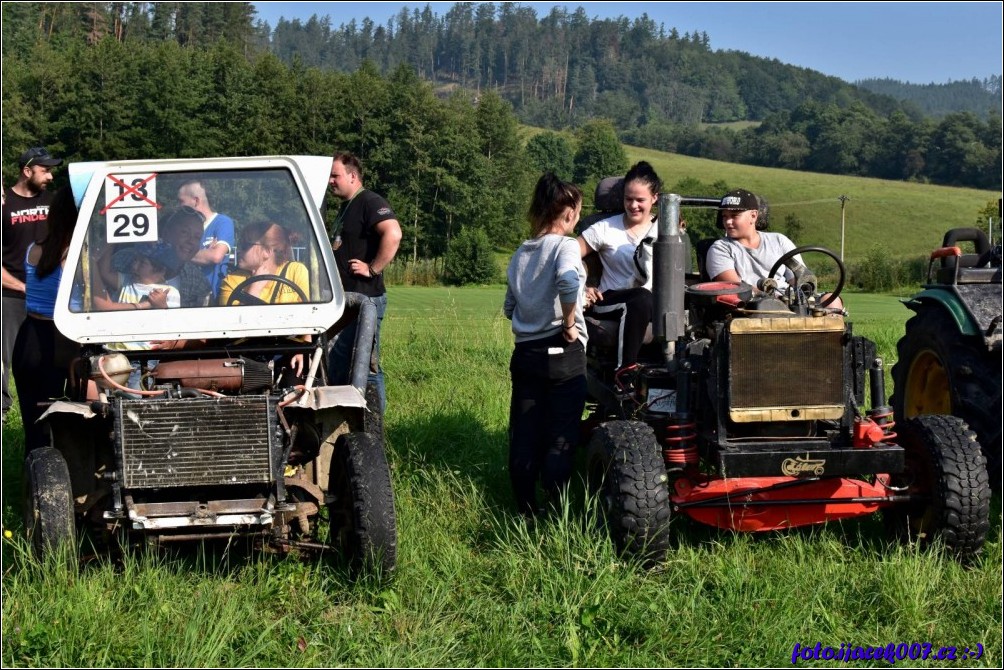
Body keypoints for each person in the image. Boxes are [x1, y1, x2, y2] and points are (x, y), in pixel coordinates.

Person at [504, 173, 587, 517]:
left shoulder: (520, 253)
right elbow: (568, 282)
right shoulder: (565, 246)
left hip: (526, 353)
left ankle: (524, 508)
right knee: (561, 432)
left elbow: (510, 307)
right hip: (562, 353)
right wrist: (569, 322)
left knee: (525, 431)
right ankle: (557, 511)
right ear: (568, 213)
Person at [325, 151, 402, 411]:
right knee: (339, 362)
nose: (330, 181)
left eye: (335, 176)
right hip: (346, 302)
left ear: (353, 176)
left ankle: (373, 429)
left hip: (365, 300)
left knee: (366, 367)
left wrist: (373, 269)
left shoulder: (369, 201)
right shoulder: (346, 207)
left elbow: (393, 234)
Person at [576, 160, 661, 372]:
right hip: (611, 299)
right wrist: (583, 286)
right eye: (628, 199)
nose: (633, 205)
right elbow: (567, 256)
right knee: (641, 297)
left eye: (640, 200)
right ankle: (624, 372)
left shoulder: (665, 230)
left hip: (655, 304)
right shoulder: (604, 228)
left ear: (654, 198)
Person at [11, 186, 78, 451]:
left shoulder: (33, 248)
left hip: (28, 338)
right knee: (64, 417)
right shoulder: (75, 255)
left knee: (32, 419)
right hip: (60, 340)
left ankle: (32, 474)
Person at [706, 188, 844, 309]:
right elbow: (735, 288)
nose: (728, 222)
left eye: (734, 216)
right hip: (752, 304)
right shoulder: (720, 249)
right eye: (724, 216)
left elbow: (798, 278)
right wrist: (771, 299)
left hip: (788, 299)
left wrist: (799, 295)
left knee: (832, 300)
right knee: (768, 306)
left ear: (753, 216)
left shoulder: (778, 240)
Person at [2, 146, 62, 423]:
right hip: (10, 296)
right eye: (44, 170)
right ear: (27, 171)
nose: (50, 176)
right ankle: (3, 411)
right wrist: (22, 287)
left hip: (49, 299)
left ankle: (53, 409)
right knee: (4, 357)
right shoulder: (4, 205)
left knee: (48, 357)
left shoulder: (53, 202)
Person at [219, 222, 309, 306]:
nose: (239, 250)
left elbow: (308, 313)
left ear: (266, 251)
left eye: (245, 246)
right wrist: (254, 289)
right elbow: (234, 321)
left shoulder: (296, 272)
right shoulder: (231, 281)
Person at [177, 180, 235, 299]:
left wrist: (180, 253)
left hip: (211, 297)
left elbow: (216, 256)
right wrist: (204, 253)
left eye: (181, 201)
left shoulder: (222, 222)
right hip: (185, 295)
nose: (178, 206)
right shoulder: (181, 227)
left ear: (196, 201)